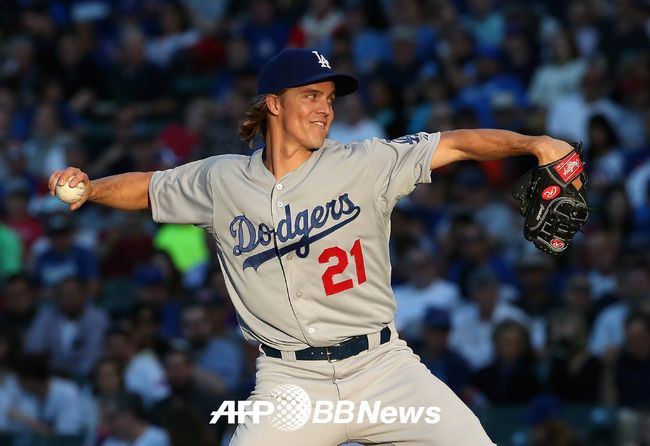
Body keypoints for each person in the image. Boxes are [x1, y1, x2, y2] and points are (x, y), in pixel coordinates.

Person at [49, 48, 583, 445]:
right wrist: (92, 189)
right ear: (273, 104)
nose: (325, 108)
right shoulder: (220, 180)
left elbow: (457, 144)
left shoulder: (365, 162)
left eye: (328, 98)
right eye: (310, 96)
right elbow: (149, 188)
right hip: (290, 383)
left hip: (383, 369)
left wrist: (533, 142)